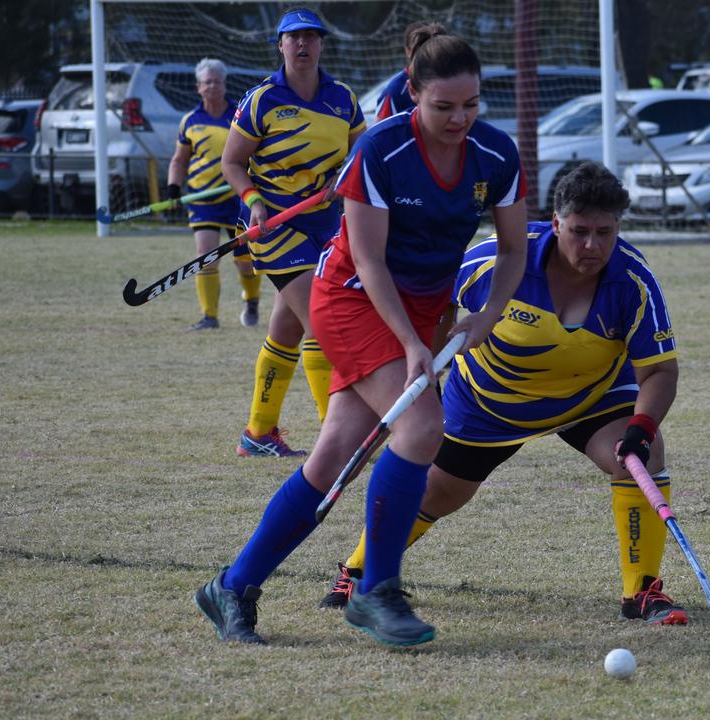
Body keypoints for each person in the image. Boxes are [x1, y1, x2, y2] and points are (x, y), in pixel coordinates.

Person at [195, 25, 529, 647]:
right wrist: (410, 344)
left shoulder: (497, 153)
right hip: (353, 298)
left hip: (424, 306)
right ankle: (377, 590)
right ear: (412, 92)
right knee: (423, 427)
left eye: (472, 104)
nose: (460, 120)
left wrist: (485, 315)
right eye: (443, 106)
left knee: (333, 456)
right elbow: (370, 263)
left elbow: (513, 249)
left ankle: (232, 586)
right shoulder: (381, 149)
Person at [317, 161, 688, 627]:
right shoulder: (491, 261)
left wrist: (642, 427)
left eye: (604, 232)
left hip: (590, 397)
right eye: (579, 231)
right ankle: (358, 571)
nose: (592, 245)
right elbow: (435, 309)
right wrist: (424, 377)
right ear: (556, 223)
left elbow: (660, 372)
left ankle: (642, 592)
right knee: (438, 493)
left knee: (642, 457)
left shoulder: (633, 281)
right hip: (488, 404)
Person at [221, 8, 365, 456]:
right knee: (322, 323)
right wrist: (255, 203)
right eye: (293, 38)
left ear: (321, 44)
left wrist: (341, 180)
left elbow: (362, 152)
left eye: (310, 37)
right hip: (275, 227)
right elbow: (231, 162)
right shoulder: (262, 100)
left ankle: (258, 434)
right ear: (280, 45)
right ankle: (336, 437)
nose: (302, 45)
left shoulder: (343, 99)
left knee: (286, 330)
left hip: (326, 225)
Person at [166, 58, 262, 331]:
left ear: (224, 84)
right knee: (205, 254)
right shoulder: (190, 121)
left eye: (217, 81)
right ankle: (209, 317)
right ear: (198, 87)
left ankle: (252, 299)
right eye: (207, 82)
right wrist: (174, 187)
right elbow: (179, 160)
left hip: (237, 198)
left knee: (244, 261)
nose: (212, 86)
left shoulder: (239, 116)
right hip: (202, 198)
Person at [374, 20, 428, 121]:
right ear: (408, 51)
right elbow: (380, 130)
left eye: (429, 44)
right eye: (418, 47)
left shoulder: (449, 81)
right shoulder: (396, 89)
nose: (425, 51)